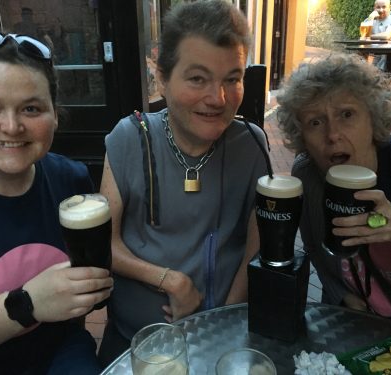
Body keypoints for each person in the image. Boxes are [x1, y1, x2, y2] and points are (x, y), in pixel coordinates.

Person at [0, 31, 113, 374]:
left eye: (31, 108)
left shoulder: (70, 180)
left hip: (61, 355)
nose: (12, 126)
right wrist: (25, 305)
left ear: (54, 115)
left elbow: (75, 317)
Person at [98, 0, 269, 365]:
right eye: (197, 78)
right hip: (135, 344)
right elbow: (103, 244)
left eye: (232, 79)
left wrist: (222, 324)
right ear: (162, 77)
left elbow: (256, 250)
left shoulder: (252, 144)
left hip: (223, 341)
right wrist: (169, 280)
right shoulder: (130, 137)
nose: (217, 99)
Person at [277, 53, 391, 324]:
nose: (332, 134)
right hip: (357, 327)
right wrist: (341, 297)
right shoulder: (307, 174)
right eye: (315, 122)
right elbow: (314, 247)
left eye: (347, 114)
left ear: (373, 119)